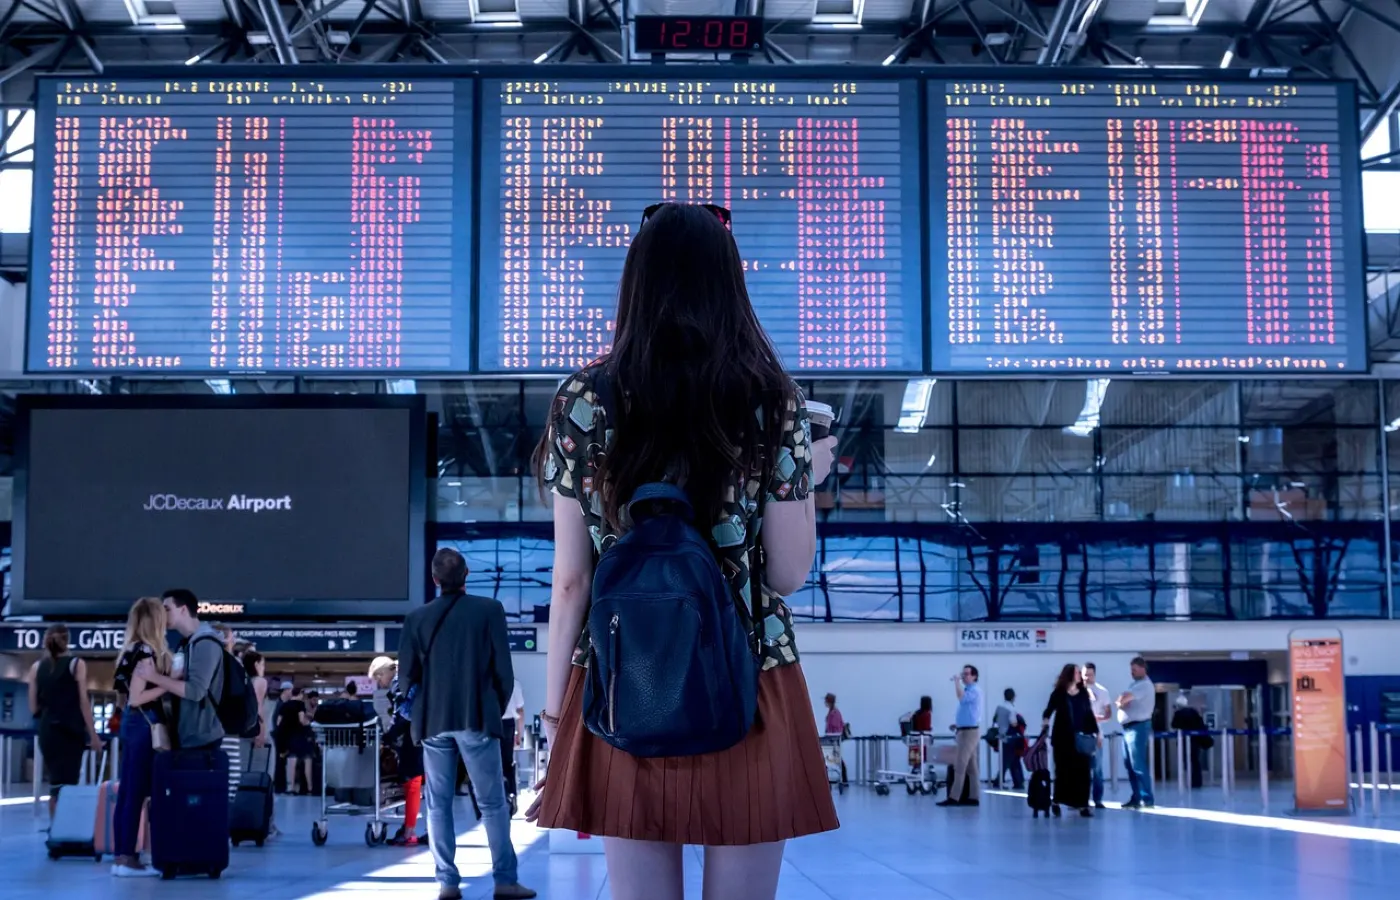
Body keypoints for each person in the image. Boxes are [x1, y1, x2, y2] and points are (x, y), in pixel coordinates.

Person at [527, 202, 841, 900]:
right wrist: (802, 480)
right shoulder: (774, 401)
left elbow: (572, 581)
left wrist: (555, 719)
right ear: (730, 284)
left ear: (636, 283)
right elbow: (788, 575)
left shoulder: (585, 397)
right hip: (751, 676)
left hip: (622, 674)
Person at [400, 548, 533, 900]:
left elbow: (405, 679)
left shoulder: (416, 618)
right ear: (467, 574)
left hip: (432, 722)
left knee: (438, 803)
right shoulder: (489, 611)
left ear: (434, 578)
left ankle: (447, 883)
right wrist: (493, 707)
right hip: (477, 717)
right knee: (492, 803)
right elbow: (504, 671)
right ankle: (505, 881)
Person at [109, 598, 172, 877]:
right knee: (135, 793)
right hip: (145, 726)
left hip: (131, 726)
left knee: (127, 792)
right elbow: (137, 697)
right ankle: (127, 858)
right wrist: (167, 683)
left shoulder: (127, 652)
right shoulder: (146, 651)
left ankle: (122, 854)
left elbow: (125, 698)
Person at [27, 624, 104, 819]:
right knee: (68, 782)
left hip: (47, 732)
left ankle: (56, 829)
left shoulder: (36, 667)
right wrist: (93, 736)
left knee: (55, 783)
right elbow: (83, 702)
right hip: (70, 731)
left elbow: (33, 707)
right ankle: (65, 829)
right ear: (67, 640)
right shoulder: (76, 664)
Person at [136, 589, 225, 753]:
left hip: (201, 740)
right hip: (186, 736)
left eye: (167, 609)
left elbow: (196, 691)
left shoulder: (205, 644)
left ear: (183, 609)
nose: (163, 614)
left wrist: (154, 677)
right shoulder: (186, 644)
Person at [369, 656, 424, 846]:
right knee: (418, 782)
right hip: (424, 732)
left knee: (412, 781)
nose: (379, 682)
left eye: (378, 678)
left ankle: (409, 831)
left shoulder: (399, 681)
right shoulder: (412, 675)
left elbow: (404, 713)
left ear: (384, 672)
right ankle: (412, 828)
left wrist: (389, 736)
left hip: (413, 735)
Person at [1042, 663, 1100, 818]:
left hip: (1081, 738)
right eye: (1076, 672)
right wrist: (1045, 722)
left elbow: (1089, 714)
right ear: (1069, 674)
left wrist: (1096, 733)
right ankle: (1057, 801)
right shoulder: (1059, 693)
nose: (1078, 675)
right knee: (1062, 771)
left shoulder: (1083, 693)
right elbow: (1048, 711)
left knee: (1083, 772)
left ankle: (1082, 804)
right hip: (1062, 739)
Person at [242, 650, 279, 836]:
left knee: (245, 777)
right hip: (258, 734)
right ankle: (267, 823)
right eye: (262, 664)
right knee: (266, 777)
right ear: (256, 664)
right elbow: (257, 708)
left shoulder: (243, 680)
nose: (264, 668)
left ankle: (245, 819)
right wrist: (261, 733)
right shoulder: (260, 681)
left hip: (243, 734)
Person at [939, 664, 982, 808]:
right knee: (971, 767)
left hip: (970, 733)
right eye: (963, 674)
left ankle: (954, 797)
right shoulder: (969, 690)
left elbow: (961, 698)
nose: (964, 676)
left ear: (974, 676)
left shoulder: (974, 690)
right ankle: (974, 797)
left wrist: (957, 682)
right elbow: (968, 713)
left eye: (967, 674)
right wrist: (958, 725)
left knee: (960, 764)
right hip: (964, 730)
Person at [1117, 656, 1156, 809]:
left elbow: (1123, 699)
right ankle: (1136, 796)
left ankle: (1147, 798)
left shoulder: (1144, 685)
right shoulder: (1135, 684)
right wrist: (1122, 701)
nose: (1131, 672)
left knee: (1138, 764)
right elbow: (1122, 700)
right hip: (1128, 728)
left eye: (1134, 670)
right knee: (1130, 765)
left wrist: (1122, 701)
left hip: (1137, 727)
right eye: (1131, 670)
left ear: (1142, 669)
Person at [1082, 662, 1116, 809]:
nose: (1087, 677)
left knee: (1097, 769)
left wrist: (1098, 718)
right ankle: (1079, 799)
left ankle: (1097, 799)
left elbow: (1109, 714)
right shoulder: (1076, 691)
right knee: (1079, 768)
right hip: (1079, 735)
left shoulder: (1102, 691)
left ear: (1094, 674)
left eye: (1090, 674)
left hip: (1096, 735)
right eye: (1085, 674)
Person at [276, 687, 315, 795]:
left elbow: (278, 722)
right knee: (307, 759)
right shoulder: (300, 704)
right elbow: (301, 720)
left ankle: (290, 787)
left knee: (291, 760)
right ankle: (309, 787)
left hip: (287, 736)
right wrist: (308, 723)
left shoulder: (285, 704)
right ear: (300, 694)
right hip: (299, 735)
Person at [1170, 695, 1210, 789]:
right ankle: (1197, 782)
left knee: (1186, 761)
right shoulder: (1194, 712)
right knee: (1195, 761)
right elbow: (1201, 724)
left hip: (1183, 740)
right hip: (1196, 740)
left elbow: (1173, 725)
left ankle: (1189, 780)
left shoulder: (1178, 713)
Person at [992, 688, 1025, 790]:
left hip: (1001, 735)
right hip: (1010, 737)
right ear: (1013, 697)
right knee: (1008, 760)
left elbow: (995, 720)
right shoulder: (1011, 708)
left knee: (1012, 760)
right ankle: (999, 781)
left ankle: (1018, 781)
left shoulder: (999, 707)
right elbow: (1013, 722)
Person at [501, 680, 525, 812]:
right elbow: (520, 710)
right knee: (508, 764)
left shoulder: (483, 678)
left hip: (489, 724)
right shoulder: (514, 683)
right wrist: (519, 734)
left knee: (491, 764)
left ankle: (496, 800)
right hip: (508, 725)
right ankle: (511, 796)